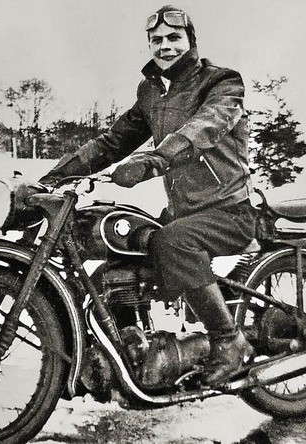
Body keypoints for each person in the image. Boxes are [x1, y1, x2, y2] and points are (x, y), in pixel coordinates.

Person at [39, 5, 256, 386]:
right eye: (157, 40)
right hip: (184, 212)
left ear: (191, 41)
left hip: (228, 211)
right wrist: (54, 178)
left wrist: (156, 160)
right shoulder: (153, 91)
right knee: (123, 247)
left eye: (174, 38)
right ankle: (132, 347)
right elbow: (114, 140)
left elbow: (203, 129)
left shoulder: (223, 83)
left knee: (173, 243)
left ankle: (229, 341)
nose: (165, 46)